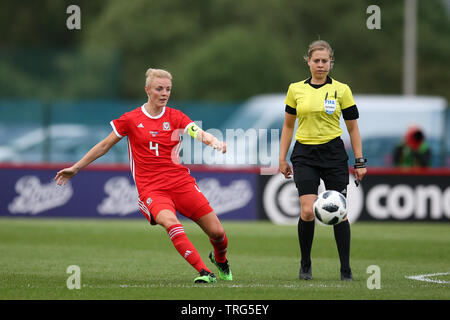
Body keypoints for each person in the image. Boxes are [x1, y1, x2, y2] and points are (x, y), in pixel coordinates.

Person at [54, 68, 232, 284]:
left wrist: (213, 141)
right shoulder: (131, 119)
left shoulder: (176, 116)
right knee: (171, 223)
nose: (165, 93)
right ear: (147, 90)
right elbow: (104, 145)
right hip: (152, 189)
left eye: (168, 89)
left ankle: (220, 260)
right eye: (159, 89)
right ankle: (204, 272)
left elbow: (197, 131)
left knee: (218, 233)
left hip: (181, 183)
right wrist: (76, 167)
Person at [279, 40, 367, 281]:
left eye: (324, 61)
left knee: (340, 211)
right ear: (308, 62)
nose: (320, 65)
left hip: (334, 154)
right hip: (304, 154)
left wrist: (359, 161)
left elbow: (353, 129)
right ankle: (305, 263)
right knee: (307, 211)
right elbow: (288, 126)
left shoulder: (342, 90)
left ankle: (345, 269)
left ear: (331, 63)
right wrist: (282, 158)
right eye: (316, 61)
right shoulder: (295, 89)